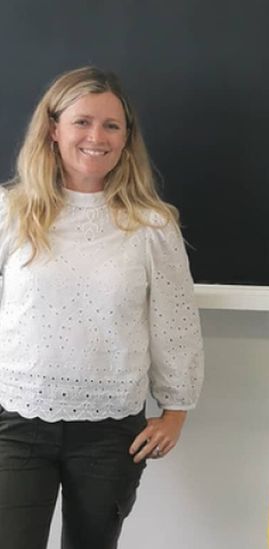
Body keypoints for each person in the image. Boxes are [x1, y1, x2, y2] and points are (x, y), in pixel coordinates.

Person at [0, 67, 203, 548]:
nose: (97, 137)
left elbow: (175, 321)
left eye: (112, 126)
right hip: (18, 421)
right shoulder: (12, 212)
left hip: (110, 431)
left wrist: (176, 410)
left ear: (127, 138)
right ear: (53, 129)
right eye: (82, 122)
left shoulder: (150, 225)